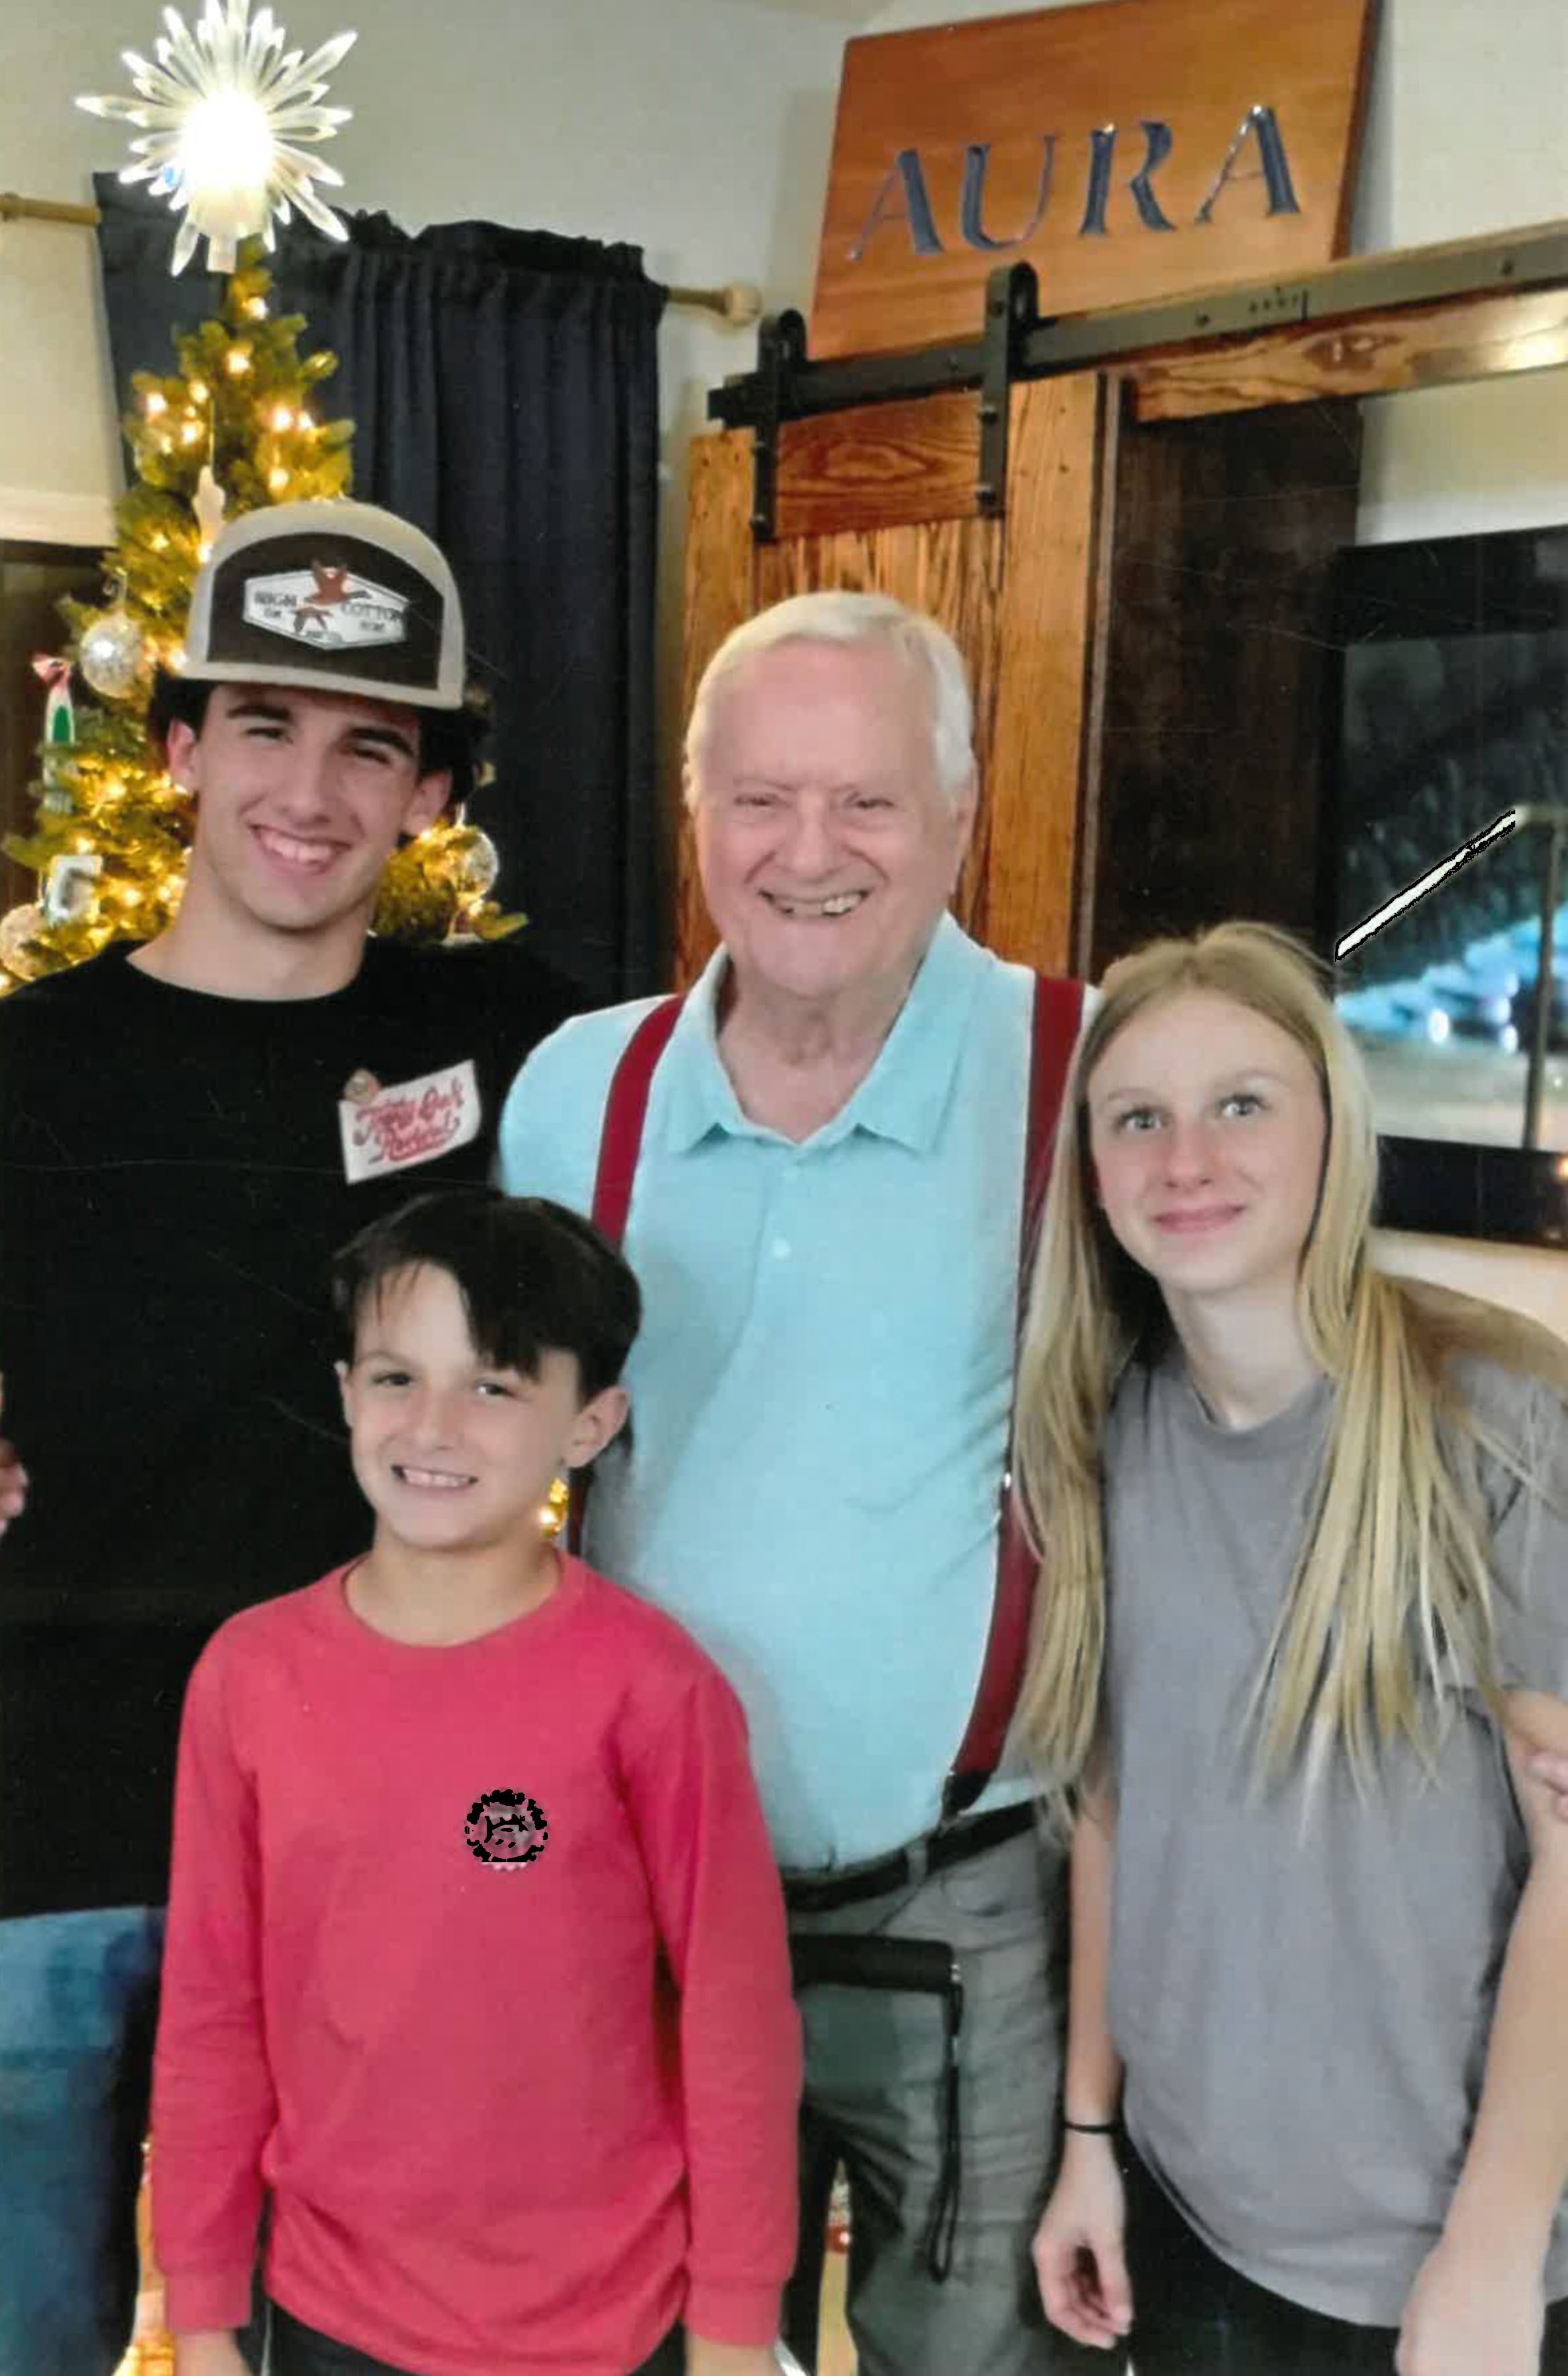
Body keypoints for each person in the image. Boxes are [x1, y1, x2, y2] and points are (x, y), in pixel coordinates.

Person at [498, 591, 1111, 2375]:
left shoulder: (1084, 1075)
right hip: (642, 1906)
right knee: (650, 2349)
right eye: (760, 798)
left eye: (866, 801)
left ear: (956, 817)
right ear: (698, 814)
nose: (807, 852)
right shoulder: (575, 1093)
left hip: (965, 1913)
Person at [0, 500, 578, 2376]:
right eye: (262, 725)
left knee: (349, 2341)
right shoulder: (25, 1061)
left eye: (370, 746)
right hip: (46, 1824)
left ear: (432, 794)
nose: (310, 792)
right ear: (177, 747)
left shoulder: (512, 1037)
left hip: (367, 1832)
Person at [1015, 920, 1568, 2375]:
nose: (1186, 1160)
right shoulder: (1115, 1425)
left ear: (1333, 1131)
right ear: (1092, 1170)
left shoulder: (1503, 1420)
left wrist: (1494, 2251)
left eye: (1241, 1104)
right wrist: (1088, 2139)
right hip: (1195, 2218)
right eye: (1139, 1119)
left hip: (1457, 2257)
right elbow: (1114, 1806)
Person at [151, 1187, 800, 2376]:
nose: (433, 1426)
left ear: (590, 1425)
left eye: (493, 1387)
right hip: (334, 2314)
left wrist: (734, 2327)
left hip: (611, 2324)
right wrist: (200, 2315)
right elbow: (211, 2009)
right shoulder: (250, 1674)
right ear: (346, 1392)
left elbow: (735, 2016)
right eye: (396, 1377)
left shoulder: (653, 1688)